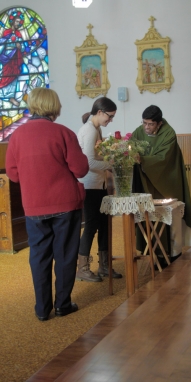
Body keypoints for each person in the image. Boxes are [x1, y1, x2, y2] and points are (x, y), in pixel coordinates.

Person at [5, 87, 89, 321]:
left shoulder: (17, 136)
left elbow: (12, 174)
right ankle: (62, 305)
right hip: (66, 203)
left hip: (34, 205)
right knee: (64, 254)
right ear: (55, 106)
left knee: (39, 256)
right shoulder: (63, 133)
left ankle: (42, 309)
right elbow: (81, 169)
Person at [132, 105, 191, 265]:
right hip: (145, 182)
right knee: (149, 215)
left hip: (167, 181)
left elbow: (164, 158)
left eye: (150, 124)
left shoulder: (169, 133)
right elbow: (131, 148)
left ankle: (173, 253)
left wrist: (143, 159)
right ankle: (155, 251)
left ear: (159, 123)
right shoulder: (138, 132)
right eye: (144, 123)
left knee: (169, 215)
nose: (146, 127)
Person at [77, 97, 122, 282]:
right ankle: (82, 268)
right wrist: (111, 163)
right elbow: (88, 162)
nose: (110, 120)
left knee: (104, 225)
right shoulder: (88, 130)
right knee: (91, 226)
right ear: (100, 112)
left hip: (100, 184)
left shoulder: (97, 129)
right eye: (109, 116)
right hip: (90, 185)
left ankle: (104, 265)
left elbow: (97, 157)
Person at [0, 11, 25, 106]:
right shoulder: (6, 32)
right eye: (17, 21)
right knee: (6, 77)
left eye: (19, 22)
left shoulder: (19, 33)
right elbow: (2, 43)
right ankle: (5, 96)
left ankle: (11, 97)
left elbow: (22, 47)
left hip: (16, 58)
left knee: (14, 76)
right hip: (7, 57)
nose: (18, 24)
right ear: (12, 21)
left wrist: (20, 47)